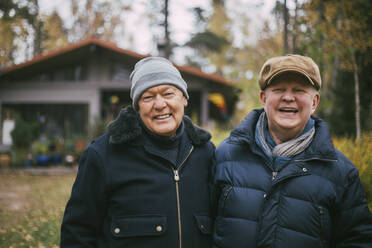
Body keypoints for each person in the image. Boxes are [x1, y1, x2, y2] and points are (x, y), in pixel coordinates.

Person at [212, 54, 372, 248]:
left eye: (299, 90)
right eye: (279, 90)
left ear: (314, 103)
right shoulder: (225, 156)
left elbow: (358, 241)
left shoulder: (341, 172)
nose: (288, 97)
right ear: (263, 98)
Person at [61, 56, 214, 248]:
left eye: (168, 94)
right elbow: (77, 234)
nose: (159, 105)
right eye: (148, 97)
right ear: (137, 107)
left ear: (184, 99)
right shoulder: (103, 155)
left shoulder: (205, 152)